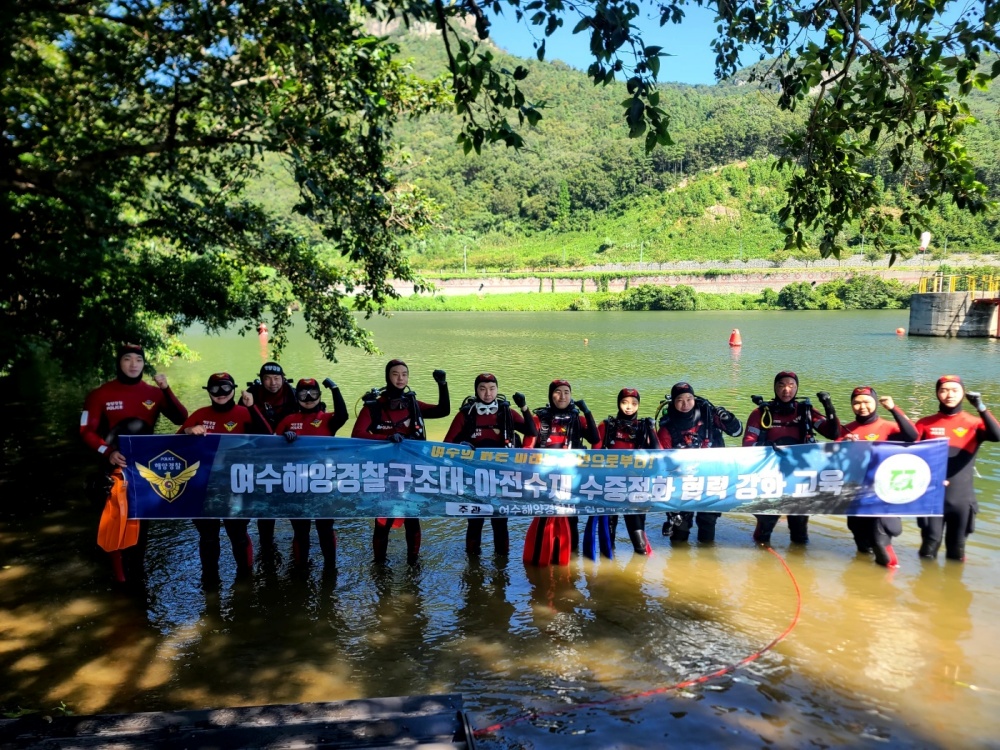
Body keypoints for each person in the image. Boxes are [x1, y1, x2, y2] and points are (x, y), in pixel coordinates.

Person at [80, 343, 188, 583]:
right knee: (114, 526)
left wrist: (167, 389)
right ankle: (120, 581)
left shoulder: (153, 393)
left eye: (138, 360)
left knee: (140, 527)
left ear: (143, 364)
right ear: (119, 363)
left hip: (143, 472)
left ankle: (137, 577)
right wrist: (107, 451)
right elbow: (85, 430)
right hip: (113, 468)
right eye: (127, 359)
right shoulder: (100, 394)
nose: (133, 364)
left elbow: (182, 418)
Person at [352, 359, 450, 564]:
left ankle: (413, 562)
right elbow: (357, 434)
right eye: (395, 374)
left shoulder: (413, 404)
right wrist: (385, 438)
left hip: (411, 470)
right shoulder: (374, 406)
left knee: (413, 518)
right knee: (383, 520)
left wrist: (442, 384)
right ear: (388, 376)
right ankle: (379, 564)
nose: (400, 378)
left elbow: (443, 411)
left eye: (404, 374)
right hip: (384, 471)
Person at [443, 373, 537, 557]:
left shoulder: (506, 412)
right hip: (473, 477)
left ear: (497, 390)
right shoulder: (466, 414)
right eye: (482, 389)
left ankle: (501, 562)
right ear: (476, 390)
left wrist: (524, 407)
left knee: (500, 522)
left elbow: (532, 431)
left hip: (501, 477)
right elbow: (447, 444)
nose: (488, 393)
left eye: (492, 389)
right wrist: (461, 446)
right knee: (475, 521)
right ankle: (473, 566)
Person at [742, 371, 840, 545]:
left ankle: (799, 560)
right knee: (766, 525)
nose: (786, 390)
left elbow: (833, 434)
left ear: (796, 388)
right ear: (775, 388)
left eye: (791, 385)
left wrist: (828, 405)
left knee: (800, 529)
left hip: (800, 477)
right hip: (770, 477)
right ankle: (761, 561)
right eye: (781, 385)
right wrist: (766, 448)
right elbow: (748, 444)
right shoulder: (761, 413)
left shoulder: (806, 411)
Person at [179, 372, 256, 580]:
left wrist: (252, 408)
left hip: (236, 485)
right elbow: (173, 444)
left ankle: (245, 579)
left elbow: (266, 437)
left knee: (238, 535)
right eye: (215, 389)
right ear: (208, 392)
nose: (220, 394)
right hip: (204, 486)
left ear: (233, 389)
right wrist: (188, 430)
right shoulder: (200, 414)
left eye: (225, 388)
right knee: (208, 537)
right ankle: (210, 580)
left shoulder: (244, 413)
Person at [914, 376, 1000, 562]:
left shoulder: (974, 423)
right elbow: (907, 453)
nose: (949, 394)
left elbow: (997, 435)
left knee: (956, 548)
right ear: (937, 393)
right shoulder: (925, 423)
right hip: (932, 496)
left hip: (961, 498)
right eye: (944, 390)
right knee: (929, 546)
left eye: (954, 390)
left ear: (963, 393)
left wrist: (981, 407)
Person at [836, 386, 917, 568]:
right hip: (856, 494)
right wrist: (842, 446)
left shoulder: (888, 426)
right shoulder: (847, 429)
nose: (862, 406)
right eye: (856, 403)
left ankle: (888, 585)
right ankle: (865, 586)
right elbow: (835, 459)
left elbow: (912, 435)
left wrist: (893, 408)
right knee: (861, 543)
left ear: (875, 403)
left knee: (880, 542)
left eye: (866, 402)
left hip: (882, 494)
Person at [522, 379, 599, 565]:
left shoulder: (578, 419)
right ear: (551, 395)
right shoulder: (539, 419)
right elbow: (526, 449)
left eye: (566, 392)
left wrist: (587, 412)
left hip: (570, 481)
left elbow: (595, 438)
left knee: (571, 521)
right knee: (544, 519)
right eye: (558, 392)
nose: (562, 396)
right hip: (544, 481)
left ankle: (570, 559)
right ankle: (543, 561)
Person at [656, 382, 743, 543]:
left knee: (707, 524)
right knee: (680, 531)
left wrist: (728, 418)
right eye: (680, 400)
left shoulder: (709, 416)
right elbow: (661, 462)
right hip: (682, 484)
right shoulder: (666, 428)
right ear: (673, 402)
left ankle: (707, 556)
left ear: (694, 399)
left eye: (689, 398)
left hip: (711, 480)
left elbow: (737, 432)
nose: (685, 404)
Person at [276, 377, 348, 568]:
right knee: (300, 531)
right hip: (296, 484)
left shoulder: (327, 419)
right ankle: (301, 570)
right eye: (303, 394)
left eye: (313, 393)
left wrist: (335, 388)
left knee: (325, 528)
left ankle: (330, 568)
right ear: (296, 397)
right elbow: (270, 450)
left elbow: (343, 416)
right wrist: (283, 439)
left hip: (323, 483)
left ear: (319, 395)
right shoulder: (288, 420)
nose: (308, 398)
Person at [594, 388, 661, 556]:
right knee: (607, 544)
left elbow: (658, 454)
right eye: (625, 403)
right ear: (618, 403)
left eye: (634, 403)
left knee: (640, 546)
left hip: (635, 487)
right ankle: (608, 572)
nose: (629, 407)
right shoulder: (606, 425)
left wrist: (652, 430)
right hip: (610, 487)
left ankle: (639, 577)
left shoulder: (644, 426)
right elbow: (593, 454)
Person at [245, 361, 298, 550]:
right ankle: (266, 545)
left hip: (288, 454)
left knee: (293, 498)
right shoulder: (252, 394)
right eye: (267, 379)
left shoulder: (292, 394)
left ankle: (299, 540)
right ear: (261, 380)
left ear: (283, 379)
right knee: (265, 502)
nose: (273, 383)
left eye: (277, 378)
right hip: (261, 455)